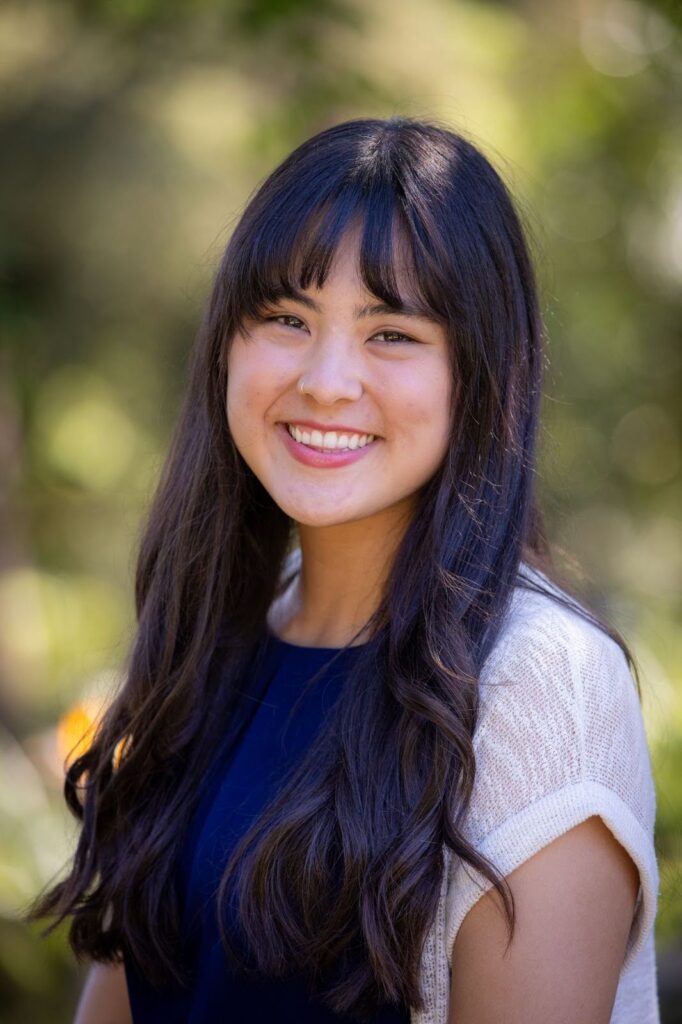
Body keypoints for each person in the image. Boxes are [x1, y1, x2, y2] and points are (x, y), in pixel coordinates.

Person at [25, 116, 660, 1024]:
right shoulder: (220, 637)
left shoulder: (539, 685)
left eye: (391, 333)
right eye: (286, 319)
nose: (326, 381)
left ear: (479, 375)